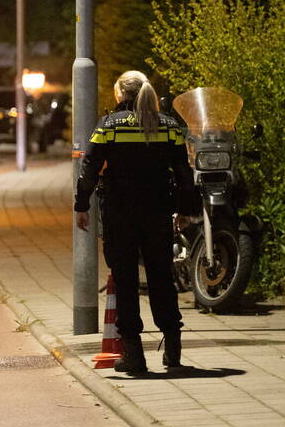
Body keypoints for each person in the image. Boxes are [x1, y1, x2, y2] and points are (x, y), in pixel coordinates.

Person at [75, 70, 200, 373]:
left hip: (119, 213)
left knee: (126, 281)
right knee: (162, 278)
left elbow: (90, 166)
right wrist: (185, 210)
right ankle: (173, 348)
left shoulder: (108, 125)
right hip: (157, 212)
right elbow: (183, 172)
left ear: (120, 94)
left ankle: (133, 354)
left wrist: (81, 205)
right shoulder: (169, 125)